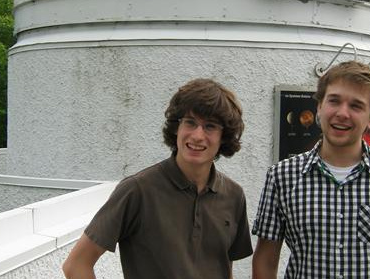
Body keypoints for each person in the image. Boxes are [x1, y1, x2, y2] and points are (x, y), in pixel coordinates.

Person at [63, 78, 253, 279]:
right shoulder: (137, 190)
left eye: (210, 126)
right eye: (190, 122)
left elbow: (224, 268)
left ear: (224, 136)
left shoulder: (234, 196)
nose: (198, 135)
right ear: (176, 128)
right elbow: (76, 265)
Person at [252, 61, 370, 278]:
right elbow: (265, 260)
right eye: (334, 101)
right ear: (319, 107)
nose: (342, 113)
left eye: (356, 106)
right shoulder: (282, 176)